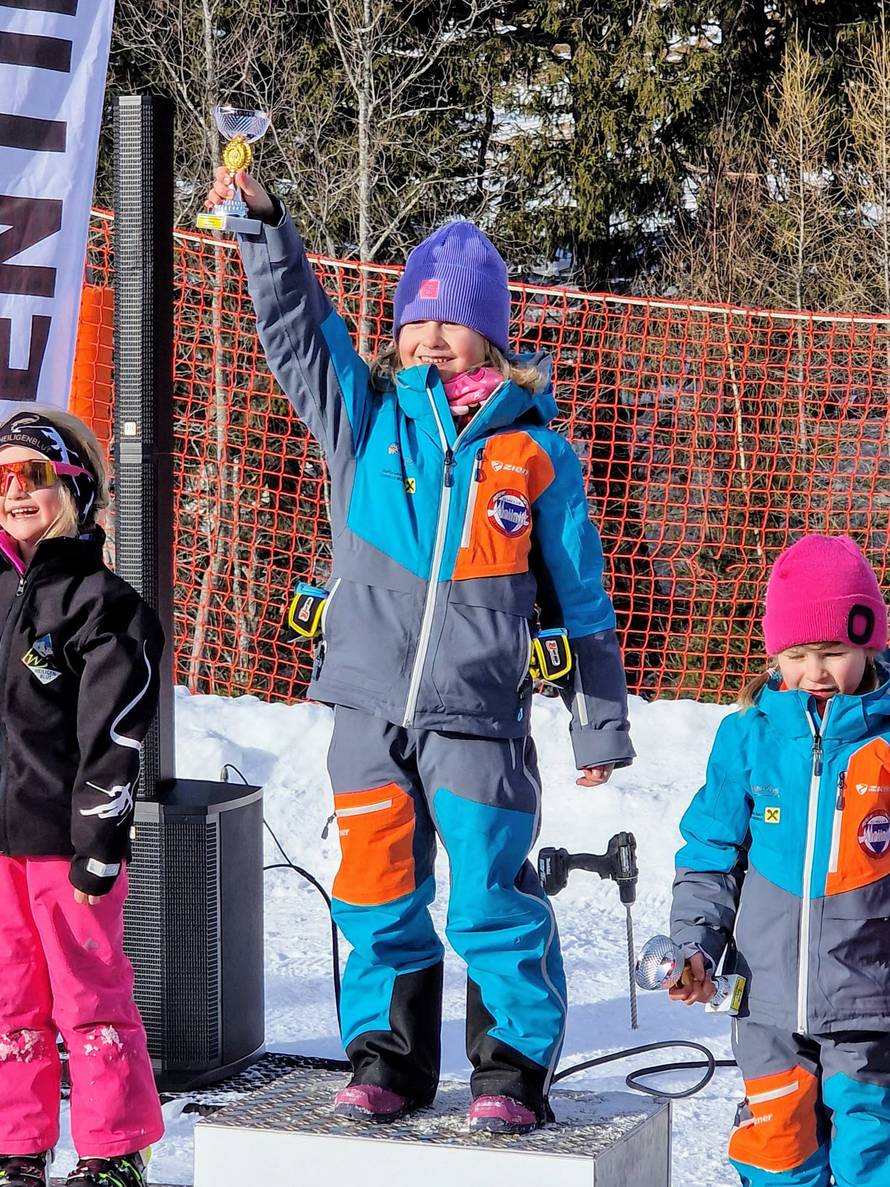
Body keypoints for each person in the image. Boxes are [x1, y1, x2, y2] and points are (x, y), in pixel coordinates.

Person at [204, 167, 635, 1132]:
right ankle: (387, 1061)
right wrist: (266, 222)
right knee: (376, 889)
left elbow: (584, 597)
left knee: (490, 892)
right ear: (398, 334)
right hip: (367, 702)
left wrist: (597, 720)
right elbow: (295, 330)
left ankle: (510, 1070)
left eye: (454, 320)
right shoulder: (367, 420)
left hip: (479, 715)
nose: (432, 336)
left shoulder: (536, 452)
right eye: (417, 320)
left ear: (493, 334)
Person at [668, 534, 890, 1186]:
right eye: (797, 654)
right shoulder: (748, 736)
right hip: (763, 1004)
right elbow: (710, 854)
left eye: (833, 653)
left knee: (870, 1154)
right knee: (778, 1149)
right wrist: (696, 948)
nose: (815, 671)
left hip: (868, 1008)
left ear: (868, 643)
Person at [0, 410, 165, 1187]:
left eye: (30, 474)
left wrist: (99, 843)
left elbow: (116, 737)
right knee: (9, 1001)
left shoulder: (105, 604)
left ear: (74, 486)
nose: (13, 491)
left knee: (86, 997)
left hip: (66, 849)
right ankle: (17, 1144)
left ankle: (112, 1149)